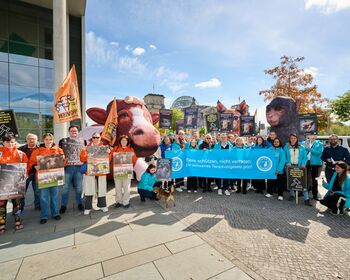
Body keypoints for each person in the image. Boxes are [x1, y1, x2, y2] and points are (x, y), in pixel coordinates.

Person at [29, 133, 64, 224]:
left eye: (50, 140)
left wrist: (64, 160)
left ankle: (55, 213)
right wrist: (34, 166)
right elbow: (31, 163)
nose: (48, 141)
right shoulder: (37, 151)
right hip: (42, 178)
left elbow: (63, 164)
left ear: (53, 140)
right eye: (46, 139)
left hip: (55, 177)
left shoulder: (58, 150)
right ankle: (44, 216)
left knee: (55, 197)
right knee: (43, 197)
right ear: (43, 140)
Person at [0, 134, 28, 234]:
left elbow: (26, 167)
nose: (10, 144)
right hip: (2, 185)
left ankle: (18, 221)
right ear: (3, 142)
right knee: (1, 206)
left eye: (12, 142)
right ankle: (1, 224)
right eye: (7, 142)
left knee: (17, 205)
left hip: (17, 184)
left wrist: (25, 175)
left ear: (15, 142)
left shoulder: (21, 154)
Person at [80, 132, 110, 215]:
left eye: (97, 137)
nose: (96, 139)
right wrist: (83, 151)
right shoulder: (87, 147)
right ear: (92, 138)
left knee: (102, 188)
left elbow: (108, 160)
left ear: (100, 138)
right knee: (89, 189)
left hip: (101, 172)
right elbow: (82, 159)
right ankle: (88, 207)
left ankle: (102, 205)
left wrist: (108, 153)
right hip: (90, 171)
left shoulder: (104, 148)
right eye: (94, 137)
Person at [59, 125, 86, 214]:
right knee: (65, 188)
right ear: (69, 132)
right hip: (68, 168)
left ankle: (79, 203)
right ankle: (63, 205)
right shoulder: (63, 141)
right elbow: (59, 152)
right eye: (72, 130)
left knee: (79, 187)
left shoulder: (83, 141)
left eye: (75, 130)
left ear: (78, 132)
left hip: (79, 168)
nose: (74, 132)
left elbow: (87, 152)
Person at [283, 134, 312, 206]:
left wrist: (303, 164)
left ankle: (306, 199)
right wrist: (287, 162)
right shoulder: (286, 147)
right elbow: (284, 156)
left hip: (300, 167)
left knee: (302, 182)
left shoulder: (301, 147)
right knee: (291, 181)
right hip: (289, 167)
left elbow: (305, 157)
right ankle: (292, 195)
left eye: (294, 138)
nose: (293, 139)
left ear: (296, 139)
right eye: (291, 138)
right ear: (289, 139)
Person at [110, 135, 137, 209]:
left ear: (127, 141)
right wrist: (109, 152)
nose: (124, 142)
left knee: (126, 188)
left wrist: (130, 164)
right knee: (118, 187)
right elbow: (110, 158)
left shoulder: (131, 149)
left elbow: (134, 160)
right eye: (122, 140)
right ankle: (119, 201)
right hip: (117, 171)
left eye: (125, 140)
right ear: (120, 141)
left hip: (127, 171)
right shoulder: (116, 149)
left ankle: (126, 202)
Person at [18, 133, 40, 210]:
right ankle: (20, 207)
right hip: (23, 174)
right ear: (26, 140)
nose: (31, 140)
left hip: (36, 174)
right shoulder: (20, 149)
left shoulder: (40, 149)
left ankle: (37, 206)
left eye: (33, 139)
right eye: (29, 138)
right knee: (22, 192)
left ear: (37, 140)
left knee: (37, 192)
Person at [303, 134, 323, 200]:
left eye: (314, 136)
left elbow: (318, 153)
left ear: (316, 137)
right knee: (304, 178)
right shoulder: (305, 142)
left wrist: (309, 149)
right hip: (306, 162)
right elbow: (303, 152)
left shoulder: (319, 144)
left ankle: (315, 195)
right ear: (308, 136)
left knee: (314, 179)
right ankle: (303, 192)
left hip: (315, 163)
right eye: (311, 136)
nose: (312, 137)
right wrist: (306, 150)